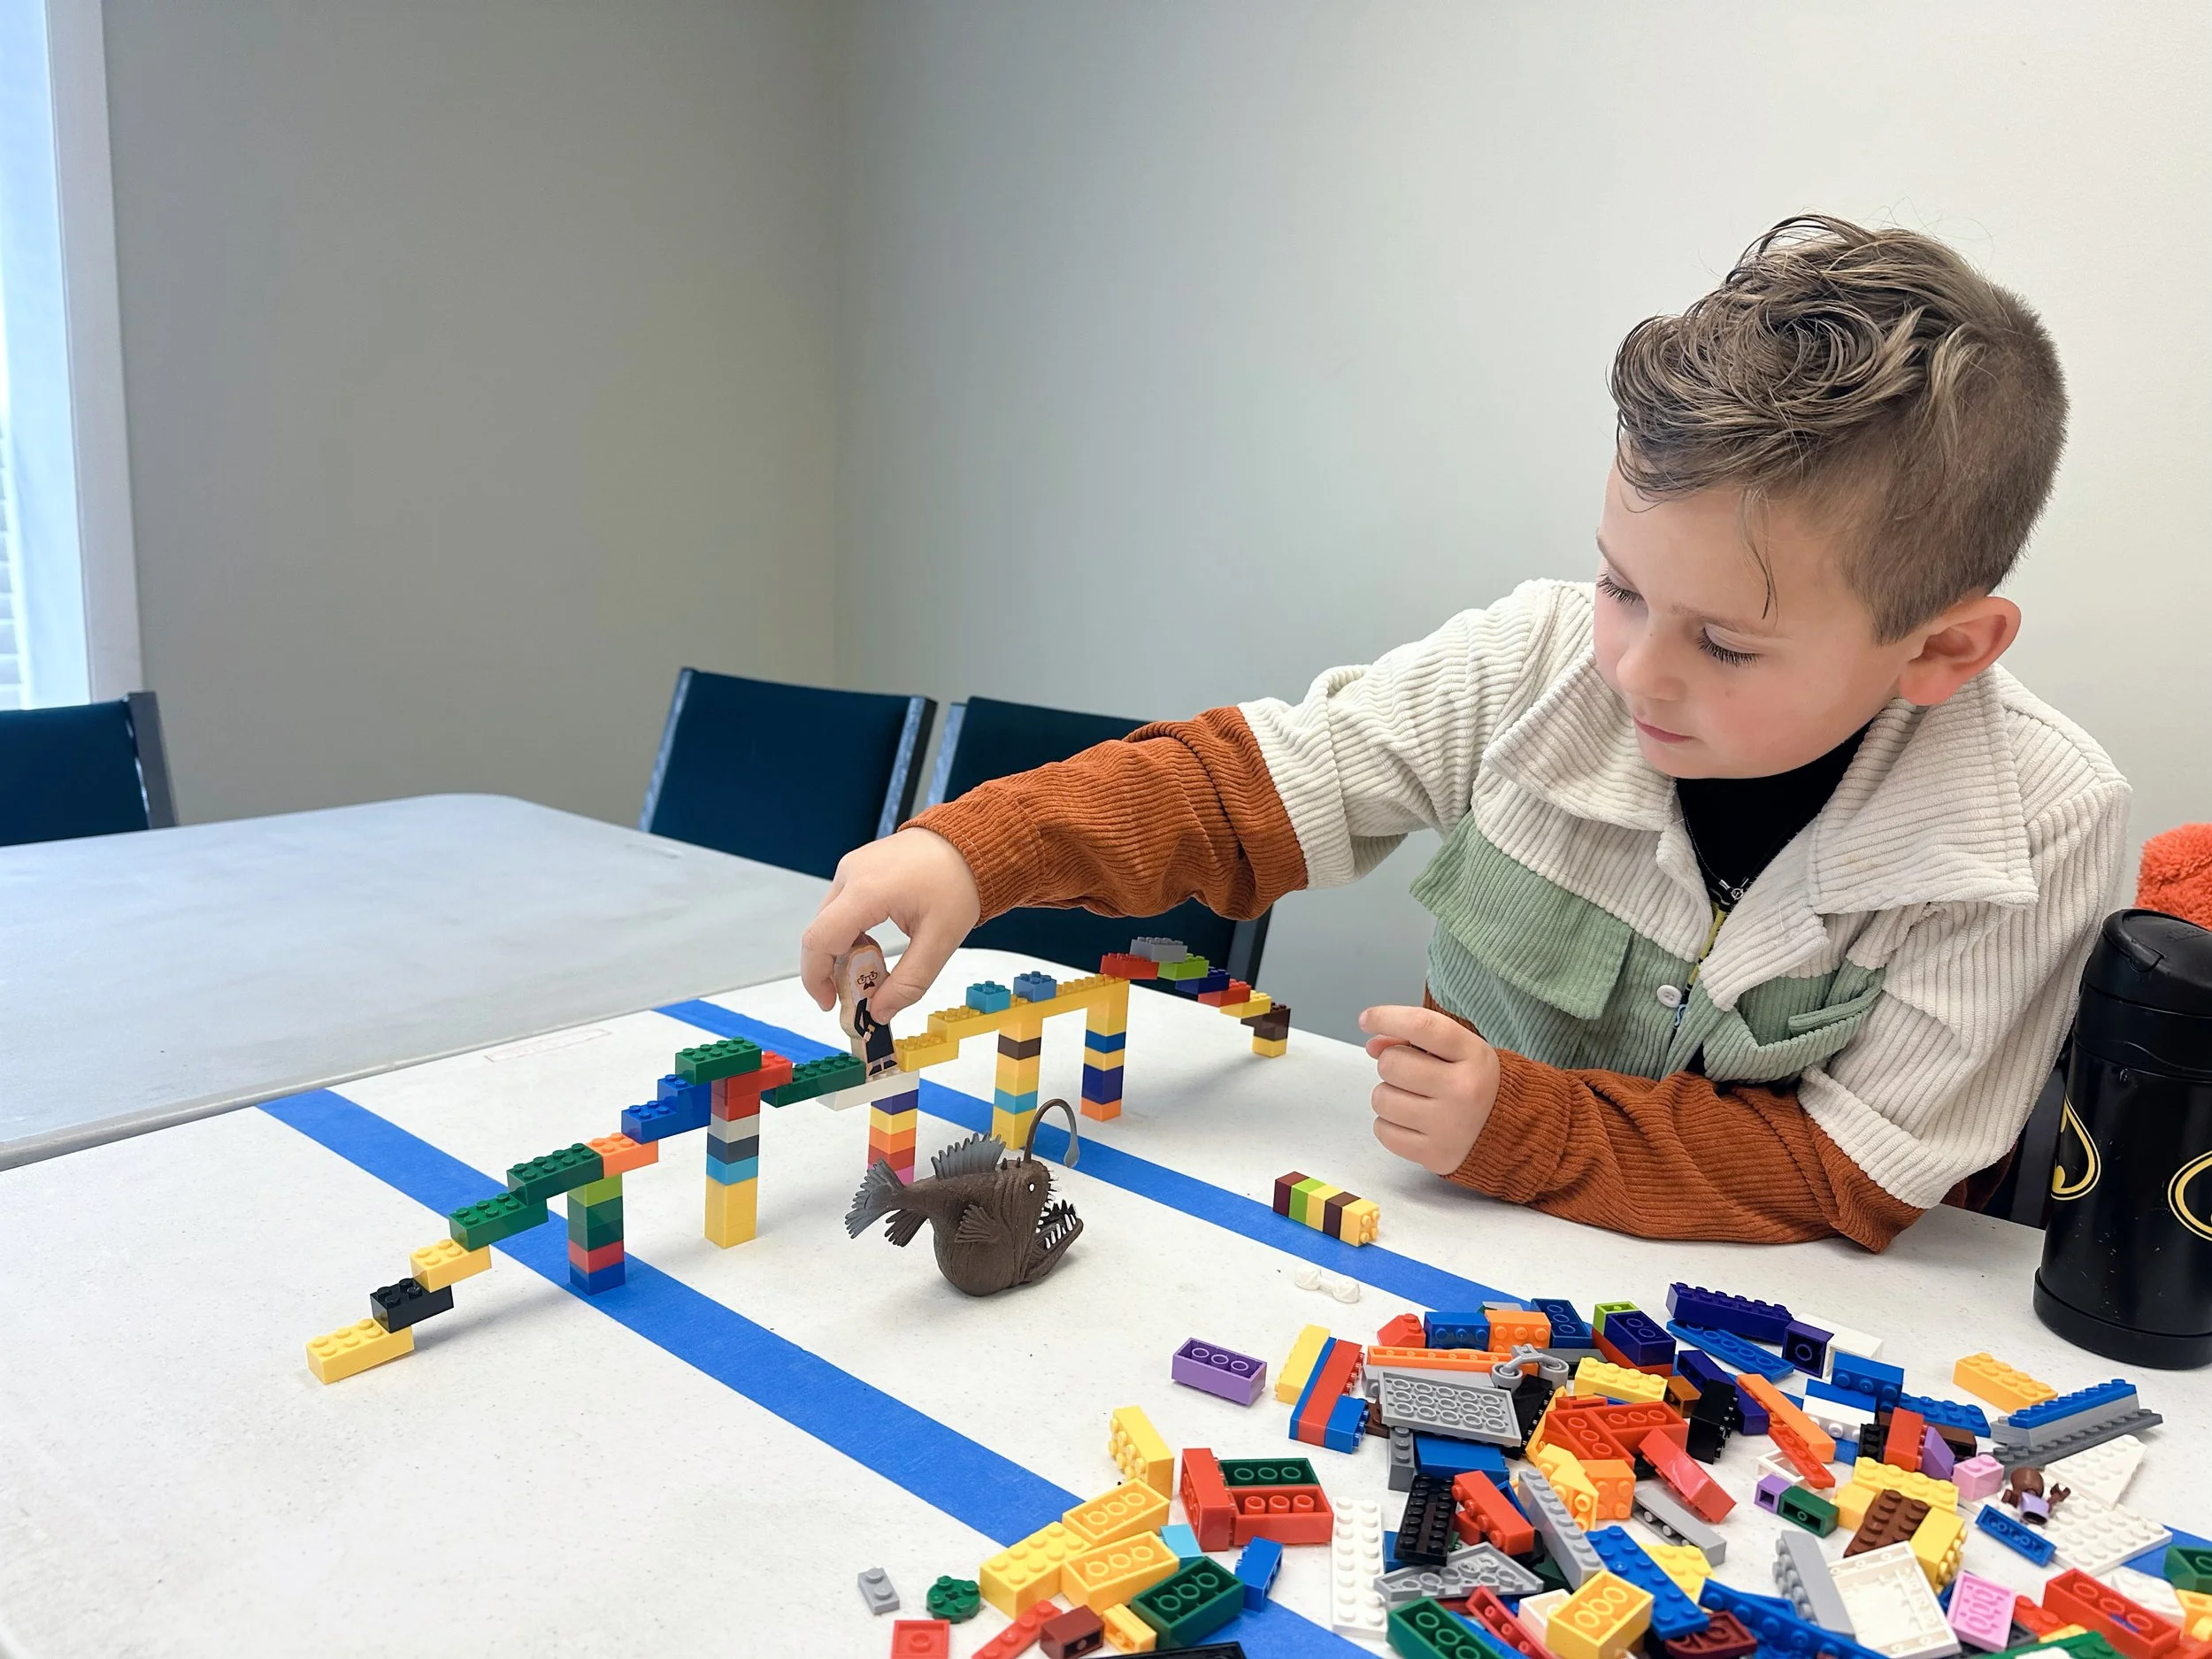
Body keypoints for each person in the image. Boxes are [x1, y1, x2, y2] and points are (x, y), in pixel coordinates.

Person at [798, 216, 2129, 1250]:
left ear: (1944, 649)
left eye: (1724, 644)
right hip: (1437, 1256)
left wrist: (1524, 1126)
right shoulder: (1532, 660)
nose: (1634, 668)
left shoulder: (2042, 824)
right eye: (1620, 584)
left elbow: (1849, 1173)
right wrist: (980, 849)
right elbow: (1249, 789)